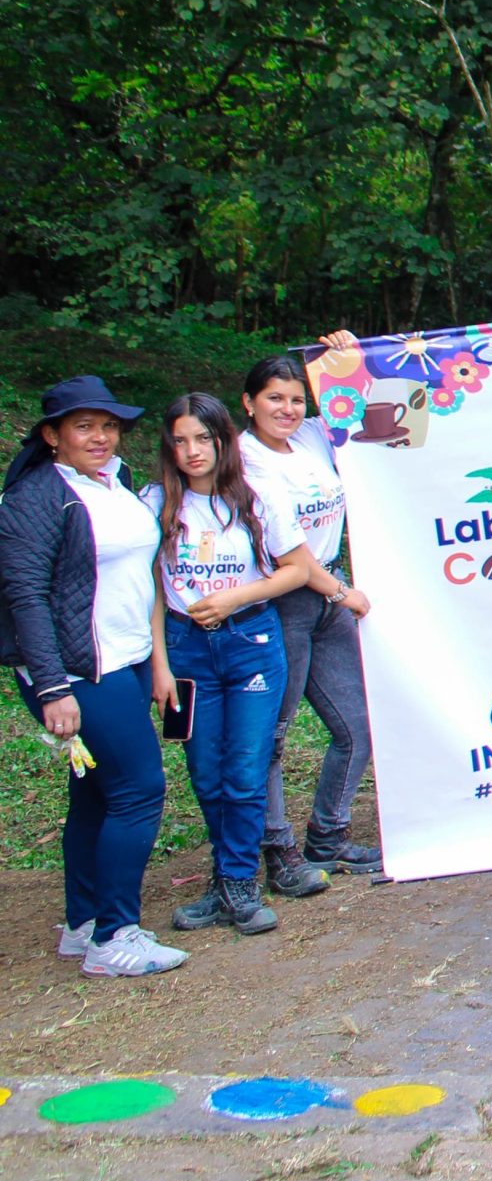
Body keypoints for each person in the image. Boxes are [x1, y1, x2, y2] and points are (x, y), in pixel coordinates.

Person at [0, 377, 186, 977]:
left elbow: (141, 577)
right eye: (84, 426)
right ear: (52, 435)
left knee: (97, 792)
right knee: (139, 789)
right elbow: (24, 595)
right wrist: (52, 688)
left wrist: (156, 661)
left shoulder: (118, 481)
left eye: (108, 425)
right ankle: (115, 936)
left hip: (127, 660)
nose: (100, 436)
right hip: (79, 669)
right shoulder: (36, 496)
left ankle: (83, 925)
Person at [145, 393, 317, 936]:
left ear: (223, 439)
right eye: (180, 440)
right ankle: (225, 882)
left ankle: (240, 883)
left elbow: (297, 570)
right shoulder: (155, 503)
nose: (193, 451)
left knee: (245, 770)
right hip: (187, 647)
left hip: (251, 642)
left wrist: (235, 598)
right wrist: (160, 665)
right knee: (205, 772)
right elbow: (150, 590)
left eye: (204, 438)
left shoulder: (259, 495)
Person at [241, 348, 379, 895]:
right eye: (274, 398)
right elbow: (288, 554)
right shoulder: (245, 457)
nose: (288, 409)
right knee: (273, 737)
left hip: (327, 600)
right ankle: (280, 850)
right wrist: (344, 593)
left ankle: (330, 835)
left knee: (357, 725)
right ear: (249, 403)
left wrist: (346, 358)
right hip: (286, 603)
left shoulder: (313, 438)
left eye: (297, 399)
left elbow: (362, 410)